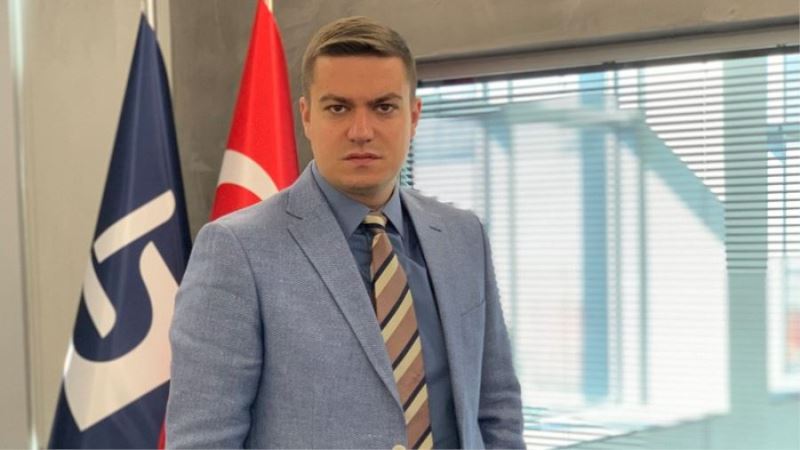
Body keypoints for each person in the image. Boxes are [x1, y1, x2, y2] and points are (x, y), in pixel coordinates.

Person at [166, 16, 524, 449]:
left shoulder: (463, 236)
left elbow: (497, 409)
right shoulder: (237, 250)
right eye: (338, 108)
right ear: (306, 117)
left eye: (383, 107)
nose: (361, 131)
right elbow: (204, 440)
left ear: (414, 116)